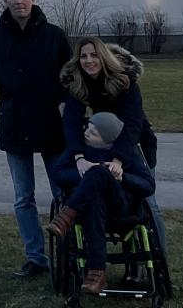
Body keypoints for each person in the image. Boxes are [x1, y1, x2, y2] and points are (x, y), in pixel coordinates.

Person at [0, 0, 71, 278]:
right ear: (5, 1)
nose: (19, 1)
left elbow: (70, 74)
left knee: (63, 192)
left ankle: (69, 252)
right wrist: (1, 76)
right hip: (14, 122)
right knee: (23, 197)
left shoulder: (54, 35)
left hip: (51, 123)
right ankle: (36, 257)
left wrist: (66, 104)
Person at [58, 36, 166, 250]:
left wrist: (119, 159)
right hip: (102, 138)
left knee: (146, 202)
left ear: (103, 56)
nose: (89, 61)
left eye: (94, 55)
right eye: (84, 56)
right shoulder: (78, 81)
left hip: (135, 140)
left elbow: (133, 124)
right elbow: (71, 122)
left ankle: (157, 258)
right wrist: (78, 156)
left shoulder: (124, 80)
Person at [46, 112, 155, 293]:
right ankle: (97, 273)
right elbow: (57, 175)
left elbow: (148, 186)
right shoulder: (78, 149)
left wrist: (123, 177)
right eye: (88, 127)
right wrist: (81, 172)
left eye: (93, 132)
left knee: (100, 173)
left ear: (107, 139)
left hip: (120, 208)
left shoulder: (126, 152)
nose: (87, 133)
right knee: (94, 196)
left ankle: (66, 216)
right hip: (90, 210)